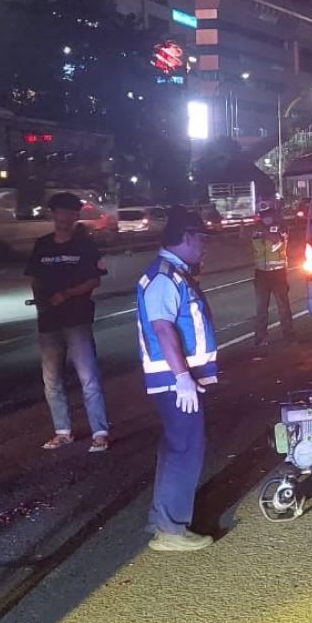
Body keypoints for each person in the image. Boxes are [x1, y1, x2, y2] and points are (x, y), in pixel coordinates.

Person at [137, 206, 218, 552]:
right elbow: (163, 328)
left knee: (176, 447)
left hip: (176, 380)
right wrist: (183, 377)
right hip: (175, 382)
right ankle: (170, 530)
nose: (205, 245)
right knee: (185, 448)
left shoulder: (173, 274)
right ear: (186, 237)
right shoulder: (164, 278)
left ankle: (163, 516)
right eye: (201, 238)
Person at [25, 192, 109, 452]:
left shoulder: (84, 246)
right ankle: (62, 431)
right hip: (49, 321)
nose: (66, 218)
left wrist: (68, 294)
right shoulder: (42, 245)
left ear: (76, 217)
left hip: (77, 318)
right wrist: (41, 298)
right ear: (53, 214)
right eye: (61, 212)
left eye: (71, 213)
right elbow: (34, 277)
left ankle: (100, 432)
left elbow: (94, 280)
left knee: (88, 376)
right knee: (52, 380)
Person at [251, 201, 294, 348]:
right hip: (261, 274)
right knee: (261, 308)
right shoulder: (256, 229)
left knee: (283, 306)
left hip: (278, 273)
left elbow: (277, 240)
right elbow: (246, 239)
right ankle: (260, 338)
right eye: (263, 215)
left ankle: (288, 335)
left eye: (268, 215)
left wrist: (264, 233)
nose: (265, 218)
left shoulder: (281, 227)